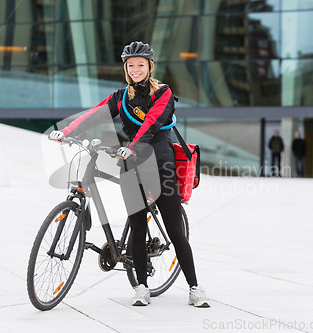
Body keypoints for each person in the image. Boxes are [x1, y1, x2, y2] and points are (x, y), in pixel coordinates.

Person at [49, 41, 209, 308]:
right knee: (136, 225)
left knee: (175, 230)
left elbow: (152, 122)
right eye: (131, 65)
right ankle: (141, 288)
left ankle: (194, 286)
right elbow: (95, 115)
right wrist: (67, 132)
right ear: (126, 68)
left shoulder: (164, 92)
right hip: (131, 164)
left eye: (141, 65)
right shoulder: (121, 96)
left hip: (160, 163)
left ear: (149, 67)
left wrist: (133, 147)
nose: (136, 69)